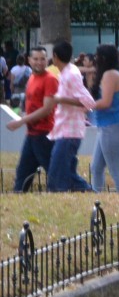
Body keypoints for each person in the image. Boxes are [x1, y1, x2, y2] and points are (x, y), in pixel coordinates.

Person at [46, 41, 95, 192]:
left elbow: (88, 102)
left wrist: (60, 99)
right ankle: (90, 193)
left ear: (55, 56)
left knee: (56, 175)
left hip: (70, 132)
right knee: (67, 174)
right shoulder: (67, 72)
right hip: (64, 130)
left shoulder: (71, 75)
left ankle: (61, 197)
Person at [7, 46, 58, 192]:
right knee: (22, 174)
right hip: (32, 134)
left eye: (42, 59)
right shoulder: (31, 78)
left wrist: (21, 121)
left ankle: (72, 195)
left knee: (55, 175)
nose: (39, 62)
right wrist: (23, 116)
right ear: (29, 60)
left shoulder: (50, 80)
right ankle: (17, 200)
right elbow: (32, 105)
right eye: (35, 59)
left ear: (47, 60)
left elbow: (47, 109)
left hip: (45, 134)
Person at [90, 44, 119, 193]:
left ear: (103, 58)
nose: (95, 59)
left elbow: (105, 102)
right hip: (112, 124)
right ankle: (97, 196)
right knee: (96, 167)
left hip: (112, 126)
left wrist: (86, 105)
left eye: (97, 56)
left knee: (115, 169)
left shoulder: (109, 75)